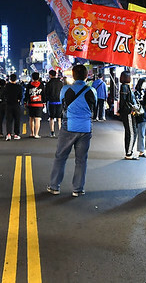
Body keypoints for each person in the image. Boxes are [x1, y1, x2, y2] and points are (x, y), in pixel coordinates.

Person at [46, 64, 97, 196]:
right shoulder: (92, 90)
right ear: (86, 76)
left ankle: (54, 186)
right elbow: (94, 106)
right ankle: (78, 189)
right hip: (85, 128)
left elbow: (62, 103)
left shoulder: (65, 89)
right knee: (81, 160)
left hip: (69, 126)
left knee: (60, 157)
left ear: (73, 76)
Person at [118, 71, 139, 159]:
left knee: (131, 132)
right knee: (131, 132)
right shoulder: (125, 87)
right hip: (128, 113)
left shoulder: (125, 87)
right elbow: (123, 101)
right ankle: (129, 153)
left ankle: (129, 151)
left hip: (127, 112)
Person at [2, 74, 24, 140]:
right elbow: (21, 96)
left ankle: (8, 134)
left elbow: (4, 95)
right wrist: (18, 99)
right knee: (17, 119)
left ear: (10, 79)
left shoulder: (7, 86)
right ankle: (16, 134)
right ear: (16, 79)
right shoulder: (18, 86)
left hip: (8, 104)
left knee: (9, 120)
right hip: (16, 104)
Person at [134, 77, 146, 157]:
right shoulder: (137, 93)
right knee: (141, 133)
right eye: (145, 82)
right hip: (141, 115)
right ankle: (141, 150)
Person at [25, 72, 45, 138]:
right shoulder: (41, 85)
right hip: (39, 104)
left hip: (31, 104)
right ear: (38, 77)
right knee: (37, 119)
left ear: (32, 77)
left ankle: (32, 133)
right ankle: (36, 134)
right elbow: (43, 94)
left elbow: (26, 94)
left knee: (31, 118)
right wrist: (44, 102)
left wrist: (25, 102)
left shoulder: (29, 85)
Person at [44, 70, 64, 137]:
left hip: (51, 102)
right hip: (59, 102)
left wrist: (46, 100)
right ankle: (60, 132)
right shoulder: (61, 83)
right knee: (59, 118)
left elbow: (46, 93)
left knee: (51, 117)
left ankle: (52, 132)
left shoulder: (48, 83)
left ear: (50, 75)